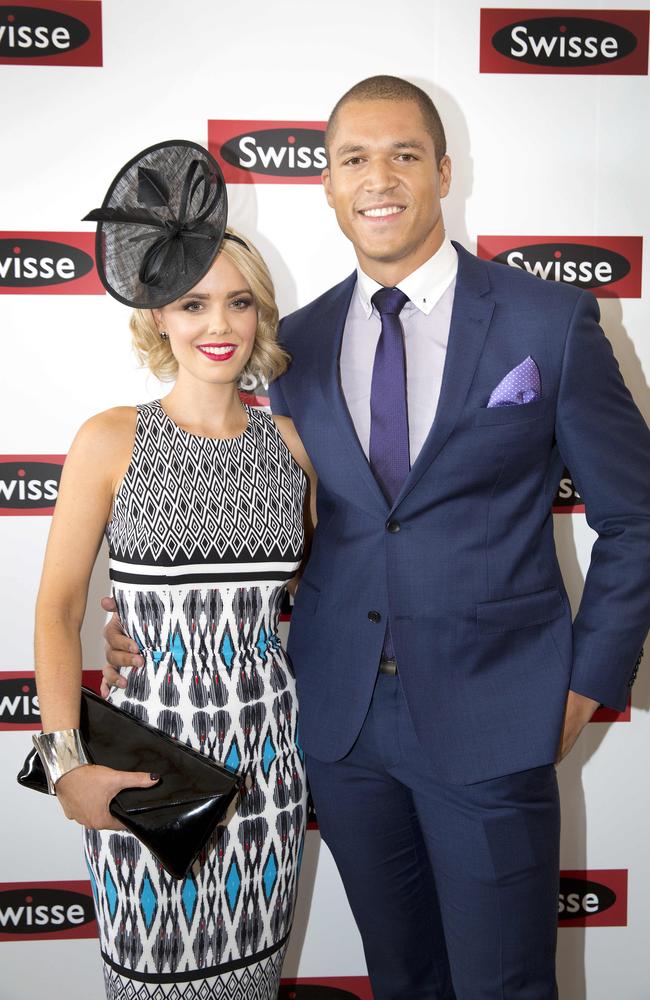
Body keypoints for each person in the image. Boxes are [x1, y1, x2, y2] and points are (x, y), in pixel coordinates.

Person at [103, 81, 650, 999]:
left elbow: (635, 520)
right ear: (327, 185)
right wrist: (145, 627)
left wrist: (585, 687)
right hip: (339, 725)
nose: (379, 177)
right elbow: (276, 521)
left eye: (403, 154)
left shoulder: (546, 322)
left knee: (505, 985)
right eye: (354, 157)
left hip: (496, 717)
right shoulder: (294, 344)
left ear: (443, 171)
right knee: (403, 979)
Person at [33, 141, 315, 1000]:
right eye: (193, 304)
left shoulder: (292, 449)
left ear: (261, 315)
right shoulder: (111, 438)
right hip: (148, 779)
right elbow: (58, 609)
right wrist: (64, 763)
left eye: (237, 303)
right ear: (158, 315)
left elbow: (303, 602)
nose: (218, 326)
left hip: (270, 772)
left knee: (251, 984)